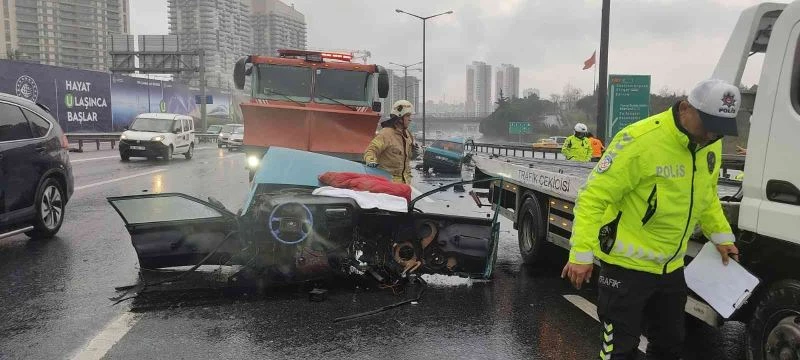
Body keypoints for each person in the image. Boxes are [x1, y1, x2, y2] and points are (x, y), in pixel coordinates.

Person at [561, 79, 741, 360]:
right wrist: (581, 254)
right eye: (706, 125)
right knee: (619, 350)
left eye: (719, 130)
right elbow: (593, 197)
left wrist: (722, 237)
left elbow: (706, 195)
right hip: (626, 268)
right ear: (685, 108)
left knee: (670, 345)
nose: (711, 134)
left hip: (671, 269)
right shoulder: (640, 140)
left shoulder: (709, 144)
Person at [364, 100, 415, 184]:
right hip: (388, 186)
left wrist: (414, 153)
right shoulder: (385, 134)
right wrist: (371, 160)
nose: (410, 119)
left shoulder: (407, 135)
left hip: (404, 186)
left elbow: (406, 159)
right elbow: (371, 150)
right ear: (399, 118)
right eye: (407, 116)